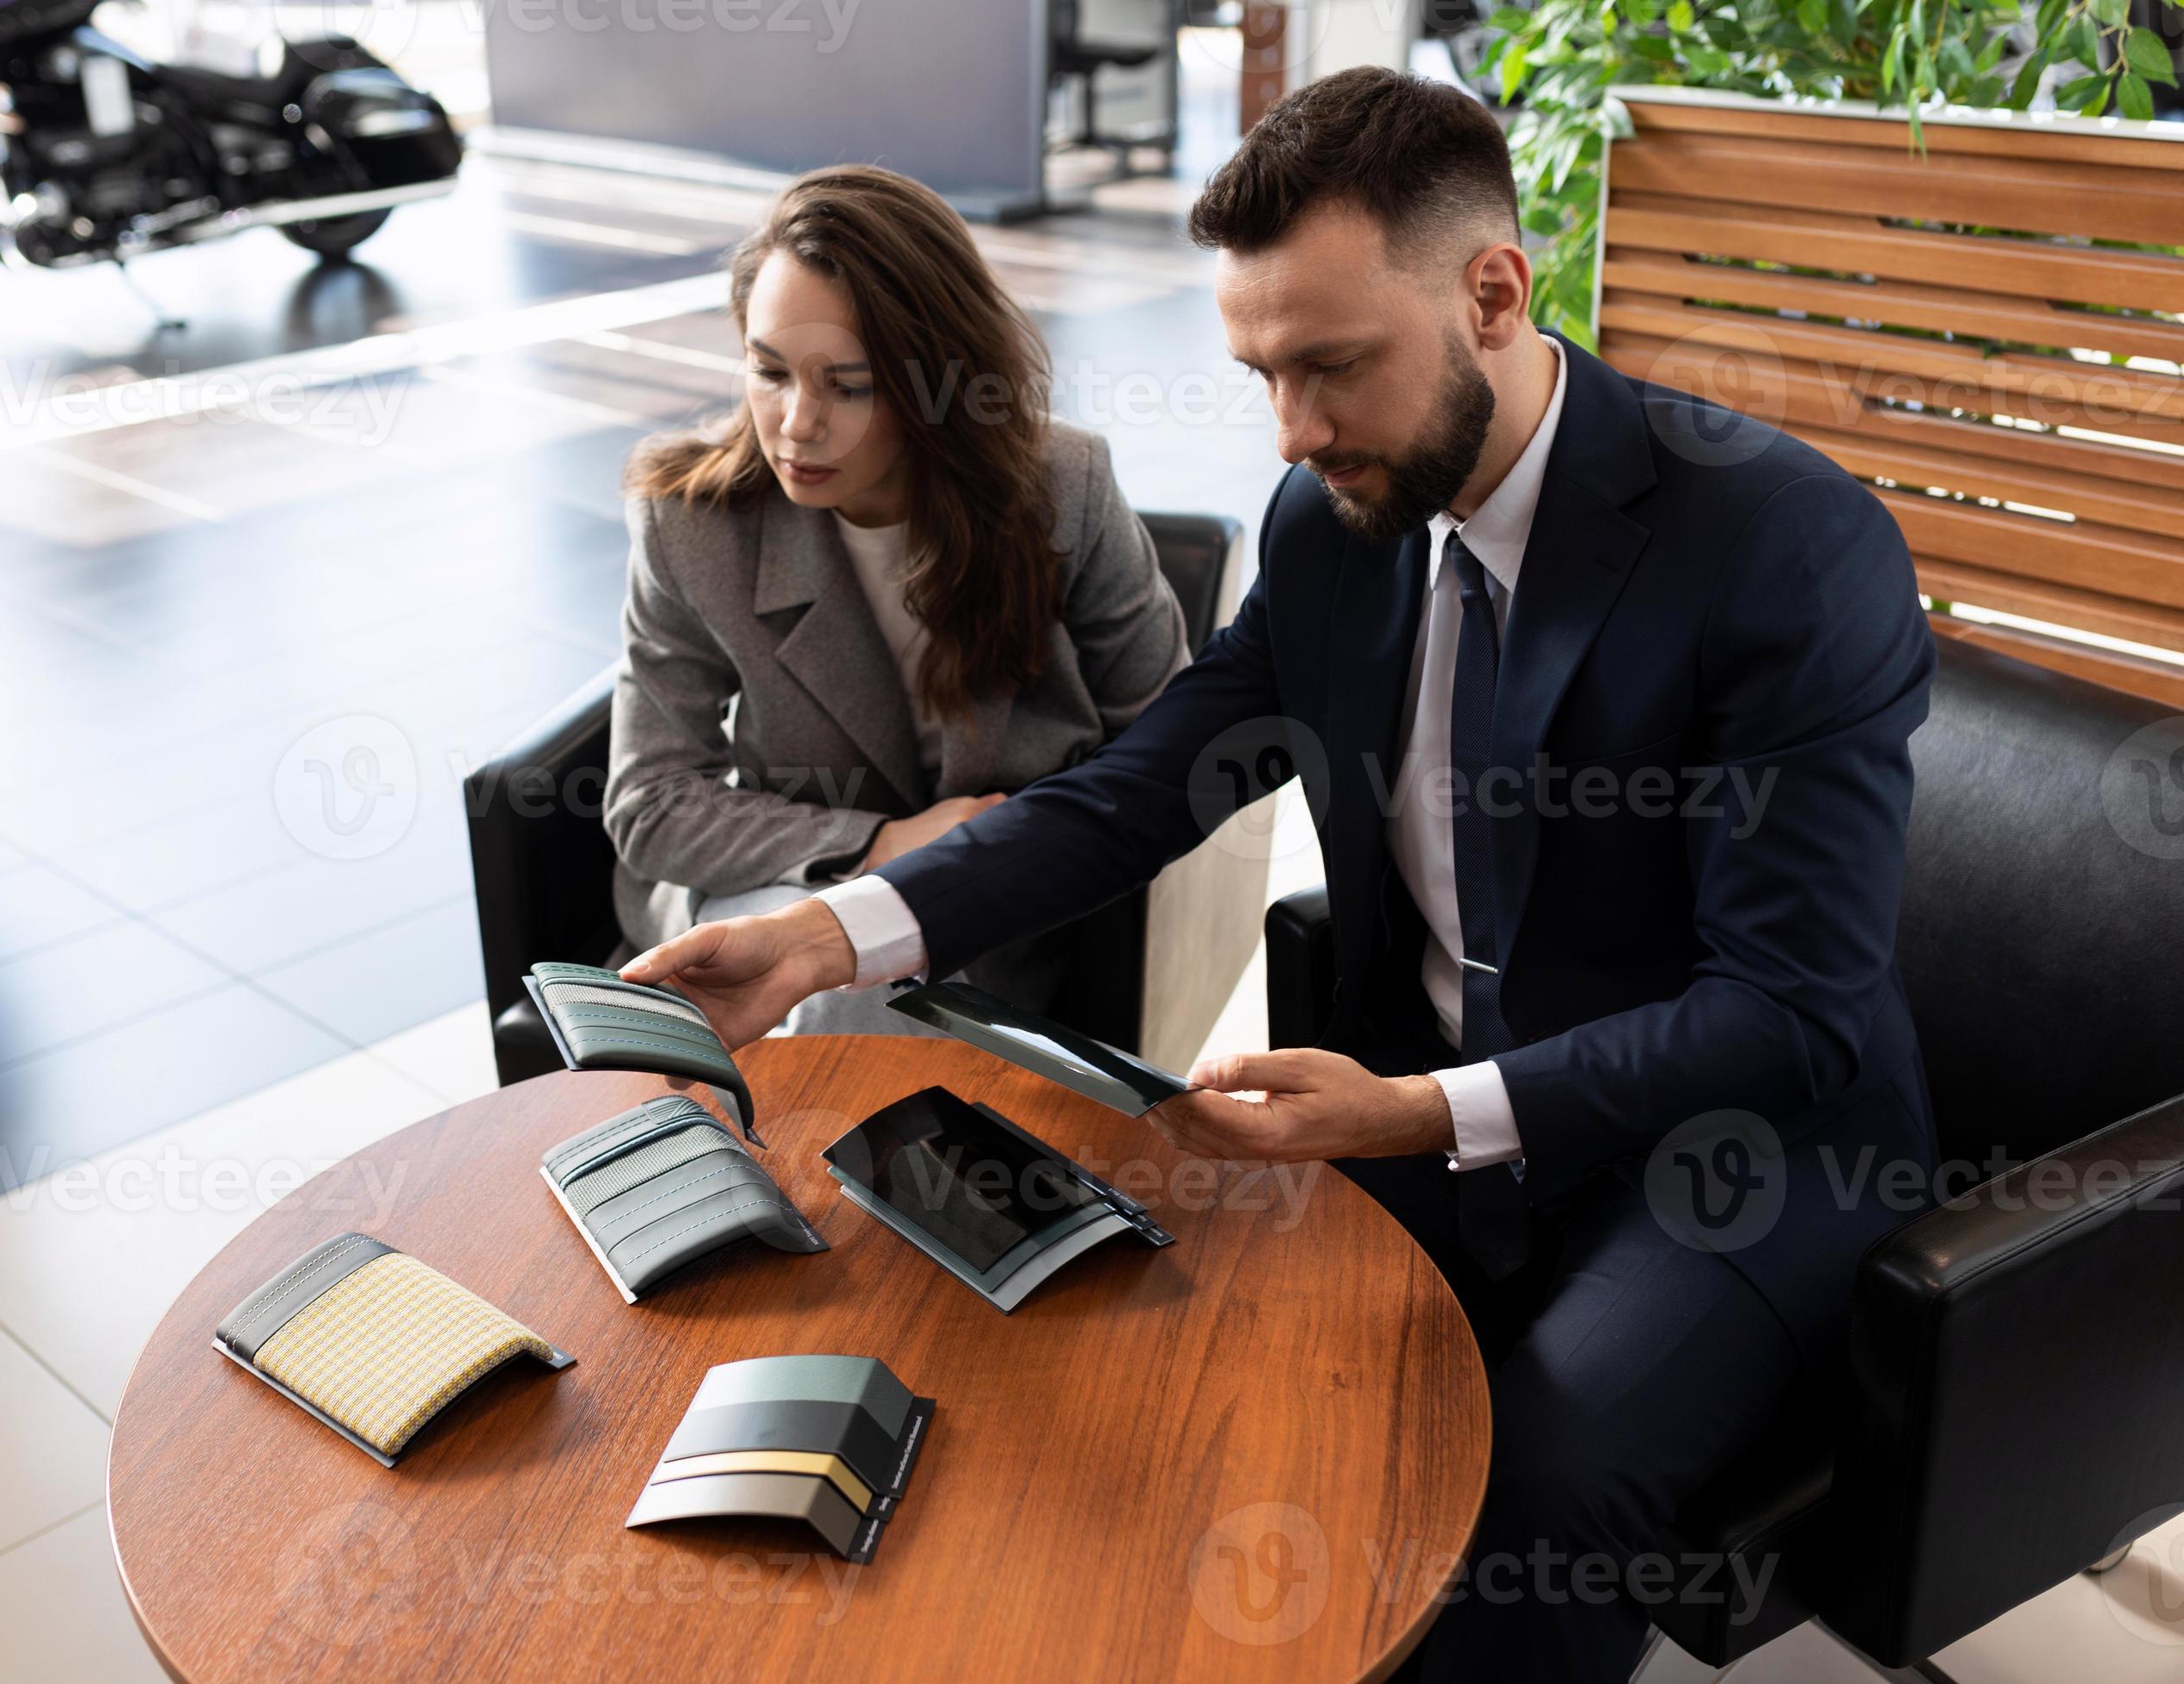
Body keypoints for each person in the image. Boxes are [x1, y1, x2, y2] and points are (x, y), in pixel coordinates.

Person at [620, 70, 1939, 1681]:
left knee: (1542, 1468)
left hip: (1734, 1149)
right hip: (1437, 1100)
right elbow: (1134, 793)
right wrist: (830, 936)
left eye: (1331, 367)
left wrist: (1415, 1113)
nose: (1294, 431)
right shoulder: (1335, 527)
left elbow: (1788, 1013)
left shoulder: (1784, 549)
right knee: (1145, 1336)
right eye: (1260, 373)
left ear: (1494, 294)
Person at [605, 163, 1190, 1036]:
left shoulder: (1061, 487)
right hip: (779, 875)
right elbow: (650, 801)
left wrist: (986, 855)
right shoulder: (693, 524)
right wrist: (881, 844)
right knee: (827, 993)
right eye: (769, 372)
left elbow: (1169, 740)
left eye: (849, 386)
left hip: (998, 902)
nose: (797, 424)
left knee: (860, 998)